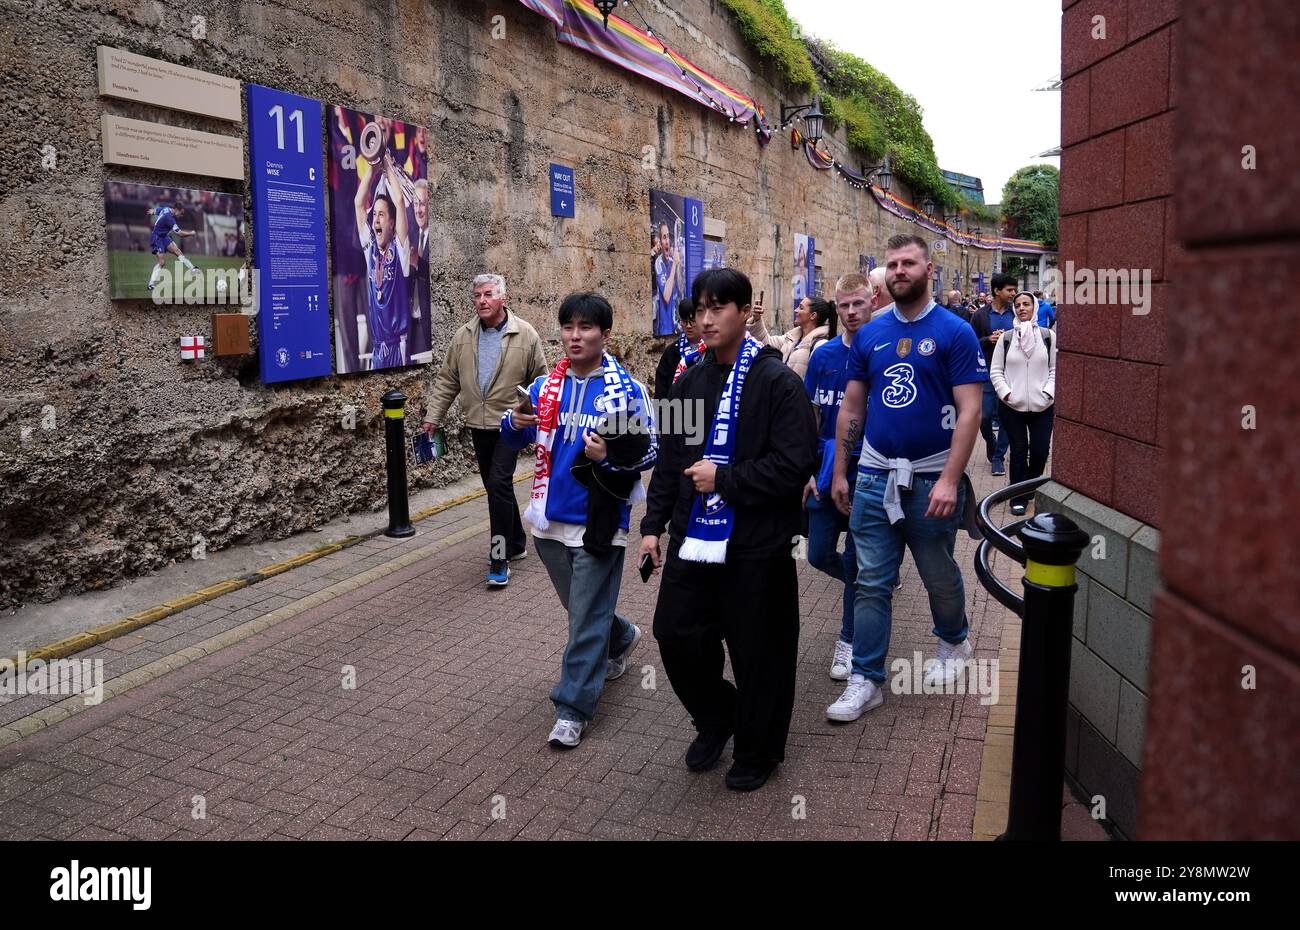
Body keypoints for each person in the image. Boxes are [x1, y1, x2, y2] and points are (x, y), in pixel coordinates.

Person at [640, 268, 817, 791]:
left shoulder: (776, 381)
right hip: (693, 540)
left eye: (720, 307)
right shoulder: (689, 381)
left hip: (755, 545)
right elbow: (670, 465)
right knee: (675, 634)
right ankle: (719, 715)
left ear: (745, 312)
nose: (708, 318)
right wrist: (652, 527)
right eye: (700, 309)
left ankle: (758, 749)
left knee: (758, 651)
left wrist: (728, 478)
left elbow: (795, 464)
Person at [827, 235, 986, 721]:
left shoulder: (956, 332)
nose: (899, 270)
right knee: (871, 578)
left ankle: (953, 642)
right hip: (874, 474)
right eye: (892, 263)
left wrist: (949, 480)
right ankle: (866, 679)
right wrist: (840, 470)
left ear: (928, 268)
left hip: (932, 474)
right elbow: (852, 406)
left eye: (908, 263)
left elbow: (970, 410)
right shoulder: (870, 335)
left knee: (936, 570)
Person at [501, 293, 657, 749]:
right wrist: (514, 422)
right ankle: (622, 634)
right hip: (548, 517)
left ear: (605, 335)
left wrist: (609, 455)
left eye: (586, 327)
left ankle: (572, 707)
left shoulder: (625, 390)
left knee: (583, 619)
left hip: (600, 520)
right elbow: (519, 433)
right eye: (568, 326)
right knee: (582, 609)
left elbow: (649, 451)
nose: (575, 335)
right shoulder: (547, 385)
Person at [423, 274, 549, 586]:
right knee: (496, 488)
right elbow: (447, 379)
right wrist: (432, 417)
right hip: (478, 425)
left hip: (509, 425)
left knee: (498, 483)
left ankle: (499, 556)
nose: (482, 300)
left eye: (489, 294)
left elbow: (543, 382)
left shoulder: (526, 334)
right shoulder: (464, 336)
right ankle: (517, 541)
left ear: (503, 298)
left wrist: (527, 414)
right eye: (477, 295)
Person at [803, 273, 869, 681]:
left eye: (857, 304)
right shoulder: (823, 355)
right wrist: (808, 471)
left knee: (860, 555)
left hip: (868, 468)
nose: (850, 312)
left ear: (871, 302)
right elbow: (810, 417)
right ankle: (867, 584)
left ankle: (847, 639)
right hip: (826, 470)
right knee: (817, 552)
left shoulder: (881, 352)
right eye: (843, 305)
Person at [991, 291, 1057, 516]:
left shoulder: (1048, 336)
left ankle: (1028, 487)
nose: (1021, 308)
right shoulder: (1006, 337)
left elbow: (1055, 370)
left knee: (1040, 451)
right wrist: (1007, 394)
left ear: (1034, 307)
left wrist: (1048, 393)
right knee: (1019, 452)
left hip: (1043, 406)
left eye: (1026, 304)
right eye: (1017, 305)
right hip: (1012, 406)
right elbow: (996, 371)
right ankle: (1017, 497)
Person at [354, 154, 411, 369]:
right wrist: (372, 167)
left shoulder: (400, 250)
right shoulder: (370, 251)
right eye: (374, 215)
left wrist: (386, 165)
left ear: (392, 222)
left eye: (381, 215)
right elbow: (359, 204)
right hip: (378, 348)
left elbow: (399, 201)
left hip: (399, 347)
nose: (375, 220)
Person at [969, 273, 1017, 475]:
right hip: (987, 371)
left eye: (1014, 290)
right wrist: (988, 339)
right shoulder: (980, 315)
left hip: (1012, 372)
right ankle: (991, 442)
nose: (1013, 293)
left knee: (1006, 416)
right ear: (997, 291)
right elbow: (970, 343)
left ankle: (998, 457)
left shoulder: (1016, 313)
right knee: (985, 416)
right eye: (1009, 290)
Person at [748, 294, 834, 379]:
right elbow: (767, 342)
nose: (796, 310)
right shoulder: (792, 338)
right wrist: (757, 319)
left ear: (813, 315)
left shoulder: (820, 345)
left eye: (801, 308)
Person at [654, 298, 702, 399]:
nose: (688, 326)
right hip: (677, 411)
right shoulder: (672, 352)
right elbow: (661, 390)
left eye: (693, 321)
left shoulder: (711, 350)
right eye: (684, 321)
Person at [145, 203, 199, 292]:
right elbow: (180, 234)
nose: (181, 215)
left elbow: (158, 210)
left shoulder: (166, 209)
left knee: (177, 251)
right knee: (162, 262)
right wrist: (191, 234)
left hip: (164, 236)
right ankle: (150, 284)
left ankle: (192, 269)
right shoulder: (169, 218)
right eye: (181, 213)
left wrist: (153, 211)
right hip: (157, 238)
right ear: (176, 209)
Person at [652, 222, 681, 337]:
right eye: (664, 237)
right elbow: (666, 296)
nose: (667, 241)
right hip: (664, 329)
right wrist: (675, 265)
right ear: (659, 241)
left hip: (674, 325)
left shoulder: (672, 261)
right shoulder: (659, 263)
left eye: (668, 236)